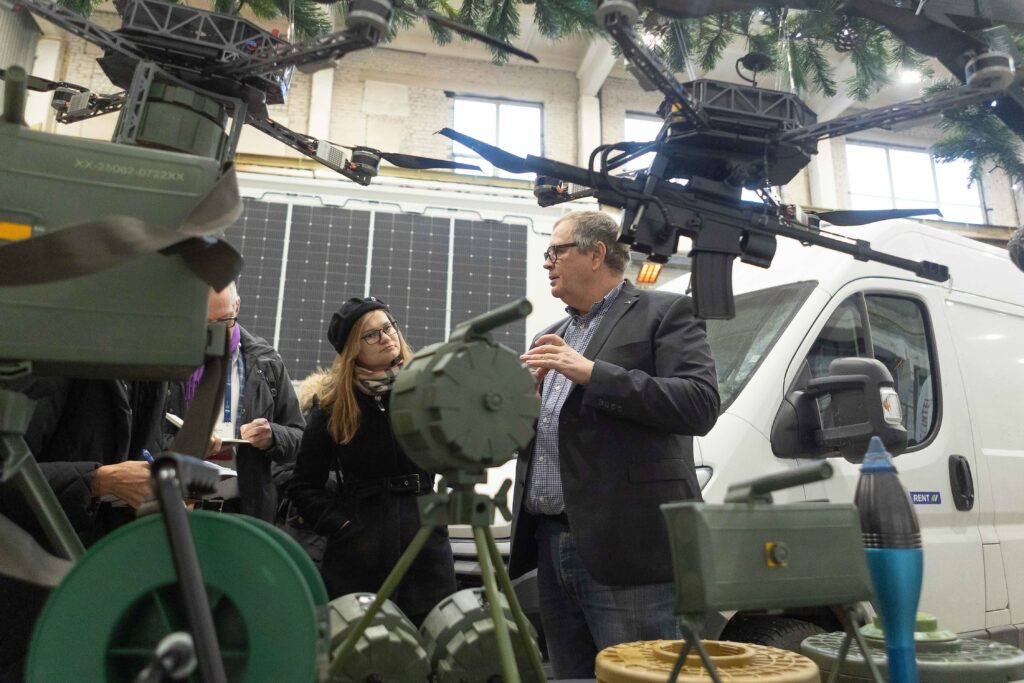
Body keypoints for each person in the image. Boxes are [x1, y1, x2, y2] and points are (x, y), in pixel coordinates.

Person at [508, 210, 721, 678]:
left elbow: (700, 404)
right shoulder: (554, 336)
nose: (548, 263)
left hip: (630, 551)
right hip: (551, 544)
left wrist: (592, 373)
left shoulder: (664, 312)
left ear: (596, 252)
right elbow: (544, 437)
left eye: (556, 251)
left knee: (641, 674)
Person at [287, 296, 456, 625]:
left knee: (434, 651)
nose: (387, 337)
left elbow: (454, 457)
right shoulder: (333, 405)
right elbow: (303, 486)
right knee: (365, 658)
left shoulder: (427, 390)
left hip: (425, 547)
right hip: (359, 555)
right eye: (372, 334)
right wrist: (344, 527)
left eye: (389, 327)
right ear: (352, 349)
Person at [0, 376, 165, 682]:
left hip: (96, 593)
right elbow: (5, 471)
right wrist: (97, 481)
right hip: (31, 604)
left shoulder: (150, 374)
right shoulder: (53, 358)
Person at [164, 283, 304, 522]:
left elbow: (300, 436)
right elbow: (145, 437)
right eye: (205, 324)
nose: (215, 332)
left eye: (224, 321)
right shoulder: (167, 360)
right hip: (177, 504)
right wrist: (186, 445)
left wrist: (273, 436)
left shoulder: (266, 362)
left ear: (237, 306)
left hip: (245, 510)